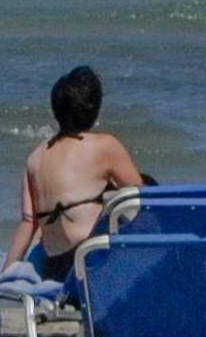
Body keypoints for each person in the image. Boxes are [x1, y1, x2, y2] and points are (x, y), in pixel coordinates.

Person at [12, 66, 146, 274]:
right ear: (95, 109)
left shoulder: (35, 158)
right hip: (91, 262)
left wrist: (6, 273)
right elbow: (144, 200)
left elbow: (28, 223)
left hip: (55, 267)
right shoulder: (105, 146)